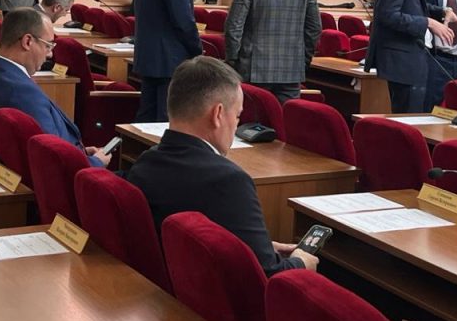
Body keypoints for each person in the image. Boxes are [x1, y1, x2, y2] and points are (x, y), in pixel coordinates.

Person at [124, 56, 318, 275]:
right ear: (217, 114)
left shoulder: (146, 161)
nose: (236, 125)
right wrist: (301, 262)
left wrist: (259, 246)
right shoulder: (229, 181)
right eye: (237, 116)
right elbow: (266, 276)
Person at [0, 8, 108, 166]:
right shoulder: (23, 93)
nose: (50, 54)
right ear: (27, 42)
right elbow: (53, 156)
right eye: (48, 45)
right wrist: (95, 162)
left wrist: (81, 153)